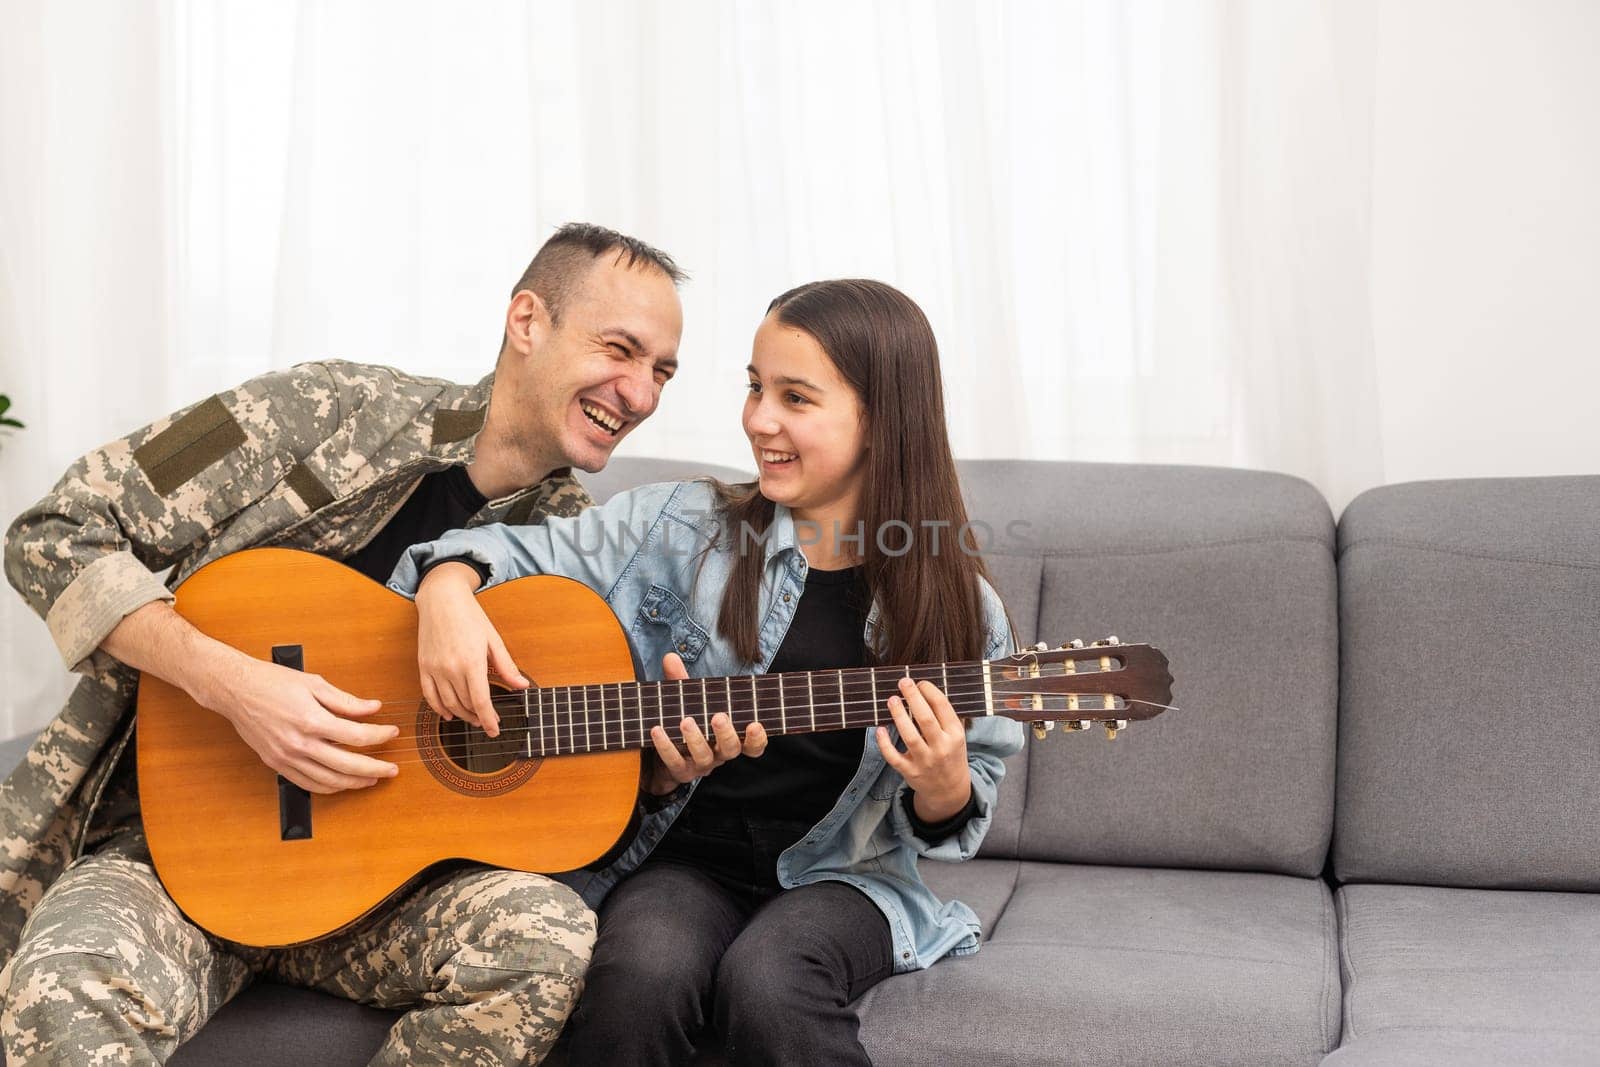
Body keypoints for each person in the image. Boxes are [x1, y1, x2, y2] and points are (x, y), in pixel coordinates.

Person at [0, 223, 733, 1064]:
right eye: (620, 349)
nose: (638, 392)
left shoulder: (581, 552)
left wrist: (662, 775)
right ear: (528, 322)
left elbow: (559, 797)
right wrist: (235, 685)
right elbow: (55, 534)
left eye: (662, 372)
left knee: (547, 938)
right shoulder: (326, 410)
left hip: (375, 901)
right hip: (171, 856)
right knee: (63, 985)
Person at [392, 278, 1026, 1065]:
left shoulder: (963, 612)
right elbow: (510, 552)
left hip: (845, 876)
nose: (759, 420)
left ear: (883, 421)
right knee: (639, 976)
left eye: (796, 397)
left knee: (769, 983)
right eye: (756, 388)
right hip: (685, 860)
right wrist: (448, 584)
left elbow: (960, 808)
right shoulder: (680, 524)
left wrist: (942, 782)